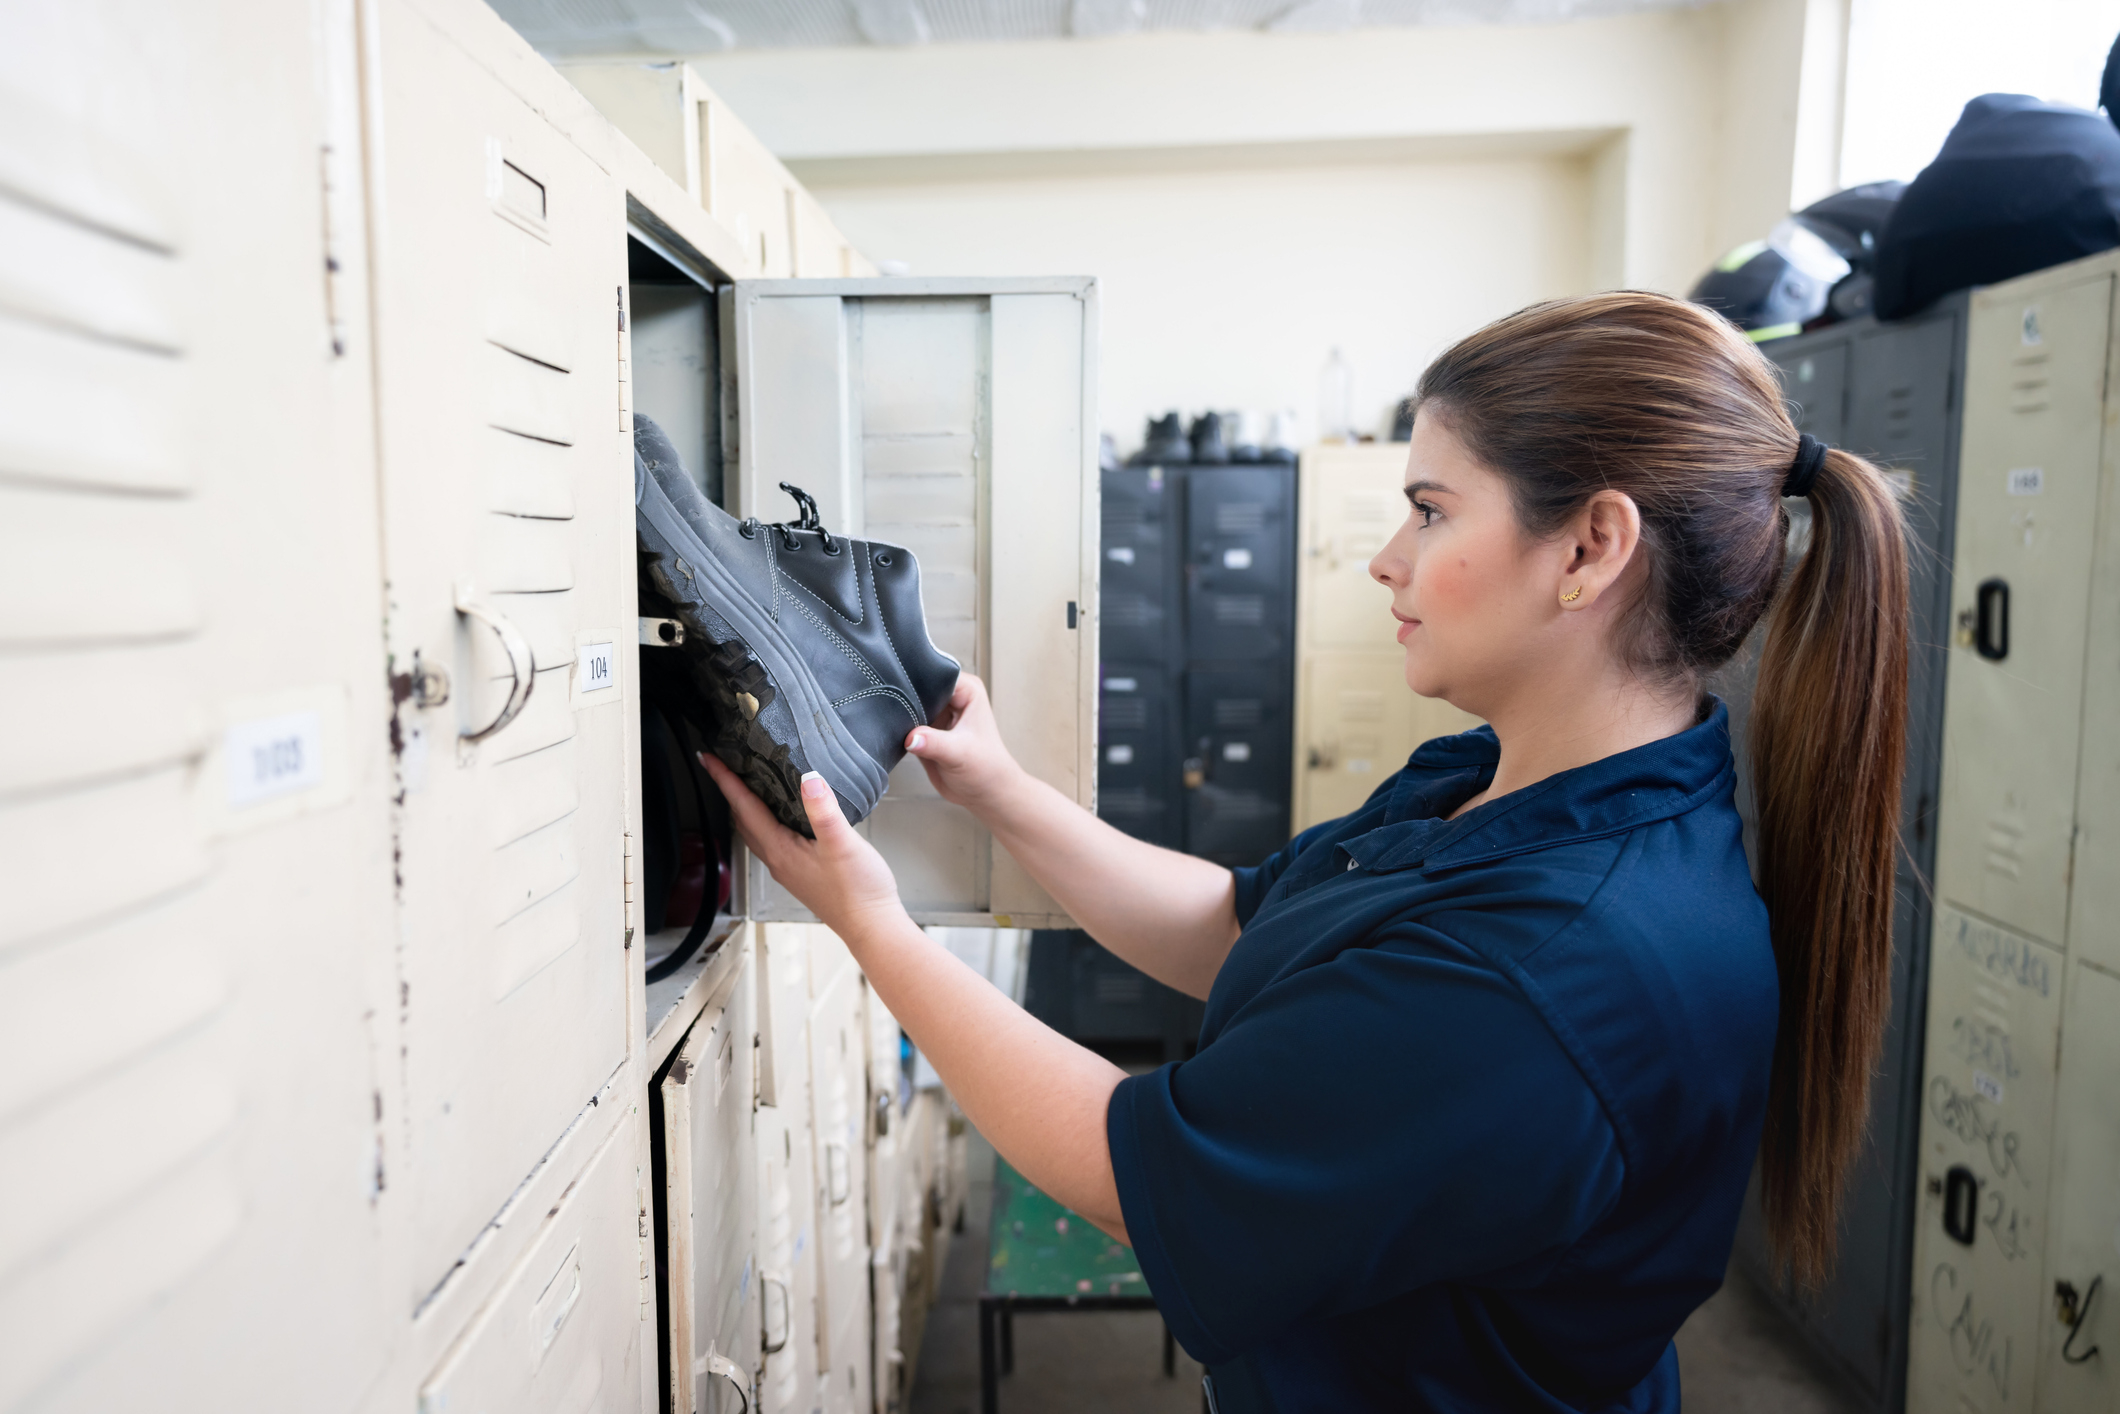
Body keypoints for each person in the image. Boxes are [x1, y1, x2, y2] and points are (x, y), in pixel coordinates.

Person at [700, 290, 1909, 1412]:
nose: (1385, 557)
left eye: (1431, 511)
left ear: (1589, 548)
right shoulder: (1496, 781)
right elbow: (1233, 924)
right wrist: (1003, 795)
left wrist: (874, 925)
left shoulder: (1549, 969)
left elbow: (1141, 1168)